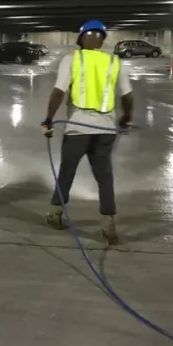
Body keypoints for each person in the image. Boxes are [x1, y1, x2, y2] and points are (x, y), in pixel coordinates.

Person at [41, 19, 133, 245]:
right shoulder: (114, 61)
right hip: (106, 129)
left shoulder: (73, 59)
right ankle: (109, 226)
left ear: (81, 38)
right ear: (103, 39)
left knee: (67, 172)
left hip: (77, 128)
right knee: (104, 177)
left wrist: (49, 119)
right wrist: (124, 118)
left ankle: (55, 215)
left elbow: (58, 92)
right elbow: (127, 96)